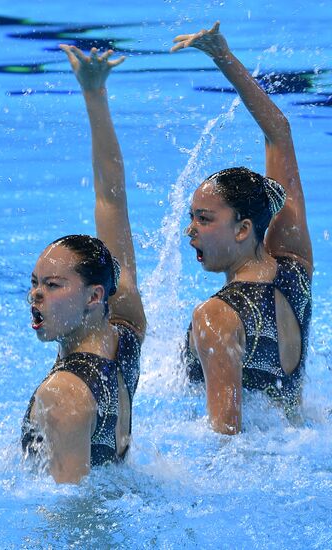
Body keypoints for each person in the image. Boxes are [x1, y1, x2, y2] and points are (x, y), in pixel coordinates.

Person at [171, 22, 313, 435]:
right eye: (191, 218)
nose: (189, 232)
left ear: (243, 228)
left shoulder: (217, 317)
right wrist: (223, 56)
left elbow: (227, 442)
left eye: (204, 218)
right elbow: (279, 134)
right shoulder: (296, 268)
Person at [21, 46, 146, 483]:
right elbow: (112, 198)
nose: (36, 295)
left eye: (54, 285)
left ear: (95, 295)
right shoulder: (126, 333)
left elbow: (72, 513)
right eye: (35, 284)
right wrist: (94, 94)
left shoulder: (64, 394)